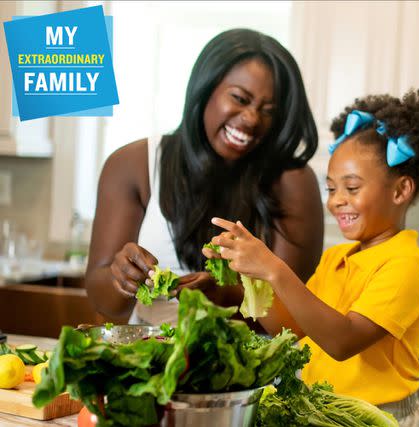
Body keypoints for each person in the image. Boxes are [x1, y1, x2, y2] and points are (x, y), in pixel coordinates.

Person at [206, 89, 419, 426]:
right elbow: (293, 329)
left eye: (351, 188)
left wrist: (274, 268)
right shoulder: (337, 257)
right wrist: (249, 274)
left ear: (400, 191)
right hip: (327, 414)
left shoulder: (406, 265)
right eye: (331, 188)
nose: (337, 200)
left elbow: (342, 340)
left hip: (380, 418)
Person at [85, 28, 324, 326]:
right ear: (204, 88)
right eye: (240, 98)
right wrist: (121, 278)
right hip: (151, 363)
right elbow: (106, 304)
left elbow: (295, 322)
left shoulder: (294, 182)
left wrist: (229, 294)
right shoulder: (132, 165)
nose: (251, 119)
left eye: (268, 111)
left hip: (250, 368)